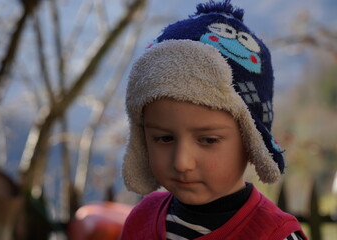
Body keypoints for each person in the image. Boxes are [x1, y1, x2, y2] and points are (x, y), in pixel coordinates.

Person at [120, 0, 308, 239]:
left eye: (208, 140)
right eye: (164, 138)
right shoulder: (140, 220)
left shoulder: (274, 235)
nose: (182, 162)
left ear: (252, 139)